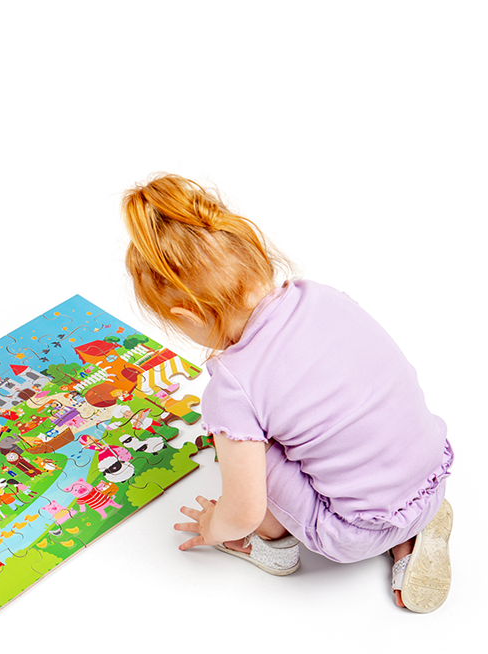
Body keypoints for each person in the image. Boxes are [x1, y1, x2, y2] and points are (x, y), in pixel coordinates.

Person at [121, 173, 453, 612]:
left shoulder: (232, 386)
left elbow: (243, 508)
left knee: (245, 442)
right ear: (253, 254)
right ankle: (411, 533)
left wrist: (215, 525)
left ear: (186, 316)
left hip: (354, 535)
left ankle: (271, 545)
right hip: (433, 474)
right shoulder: (323, 296)